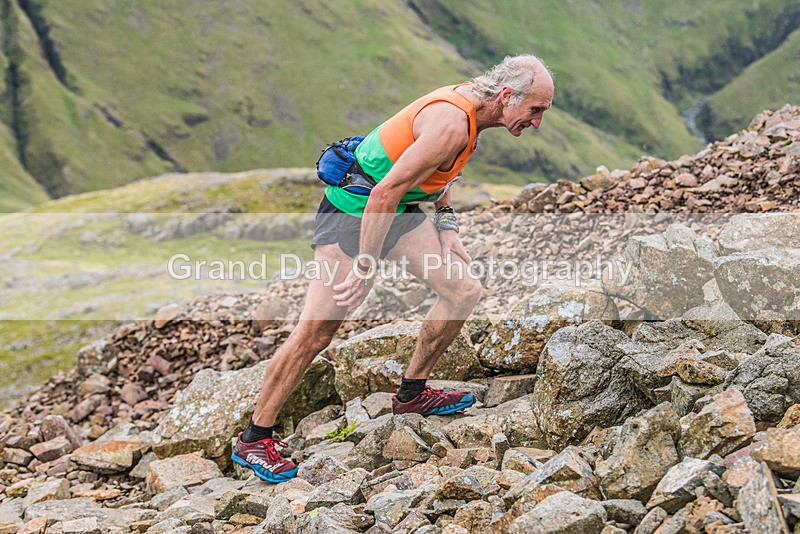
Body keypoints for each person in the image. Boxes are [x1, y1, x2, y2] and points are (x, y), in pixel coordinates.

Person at [231, 54, 554, 482]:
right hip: (352, 214)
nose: (537, 123)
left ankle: (412, 394)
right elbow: (383, 193)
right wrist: (366, 266)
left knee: (463, 291)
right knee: (318, 330)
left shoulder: (475, 112)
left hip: (397, 211)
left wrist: (448, 225)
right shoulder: (452, 123)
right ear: (508, 96)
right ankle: (254, 439)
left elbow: (439, 174)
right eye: (535, 111)